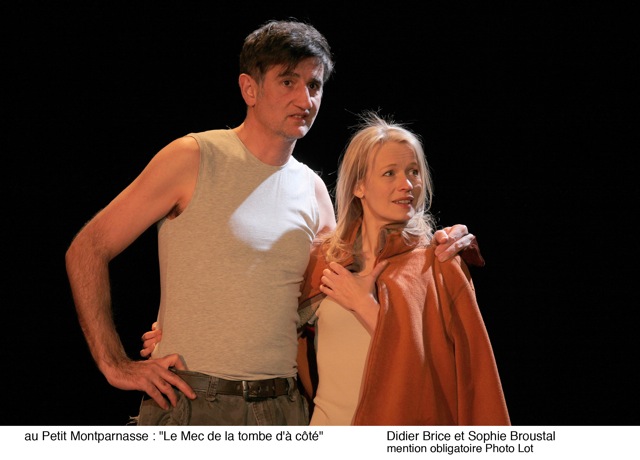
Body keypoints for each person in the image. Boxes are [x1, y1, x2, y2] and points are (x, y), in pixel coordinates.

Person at [66, 19, 476, 426]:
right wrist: (114, 364)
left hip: (283, 409)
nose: (305, 99)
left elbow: (337, 295)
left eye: (314, 85)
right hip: (194, 403)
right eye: (288, 81)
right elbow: (89, 247)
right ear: (250, 88)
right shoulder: (192, 158)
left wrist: (436, 242)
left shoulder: (314, 191)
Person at [295, 111, 510, 425]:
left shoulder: (440, 264)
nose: (407, 184)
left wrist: (364, 306)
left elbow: (447, 378)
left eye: (413, 172)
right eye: (390, 173)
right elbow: (288, 346)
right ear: (358, 186)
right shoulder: (323, 259)